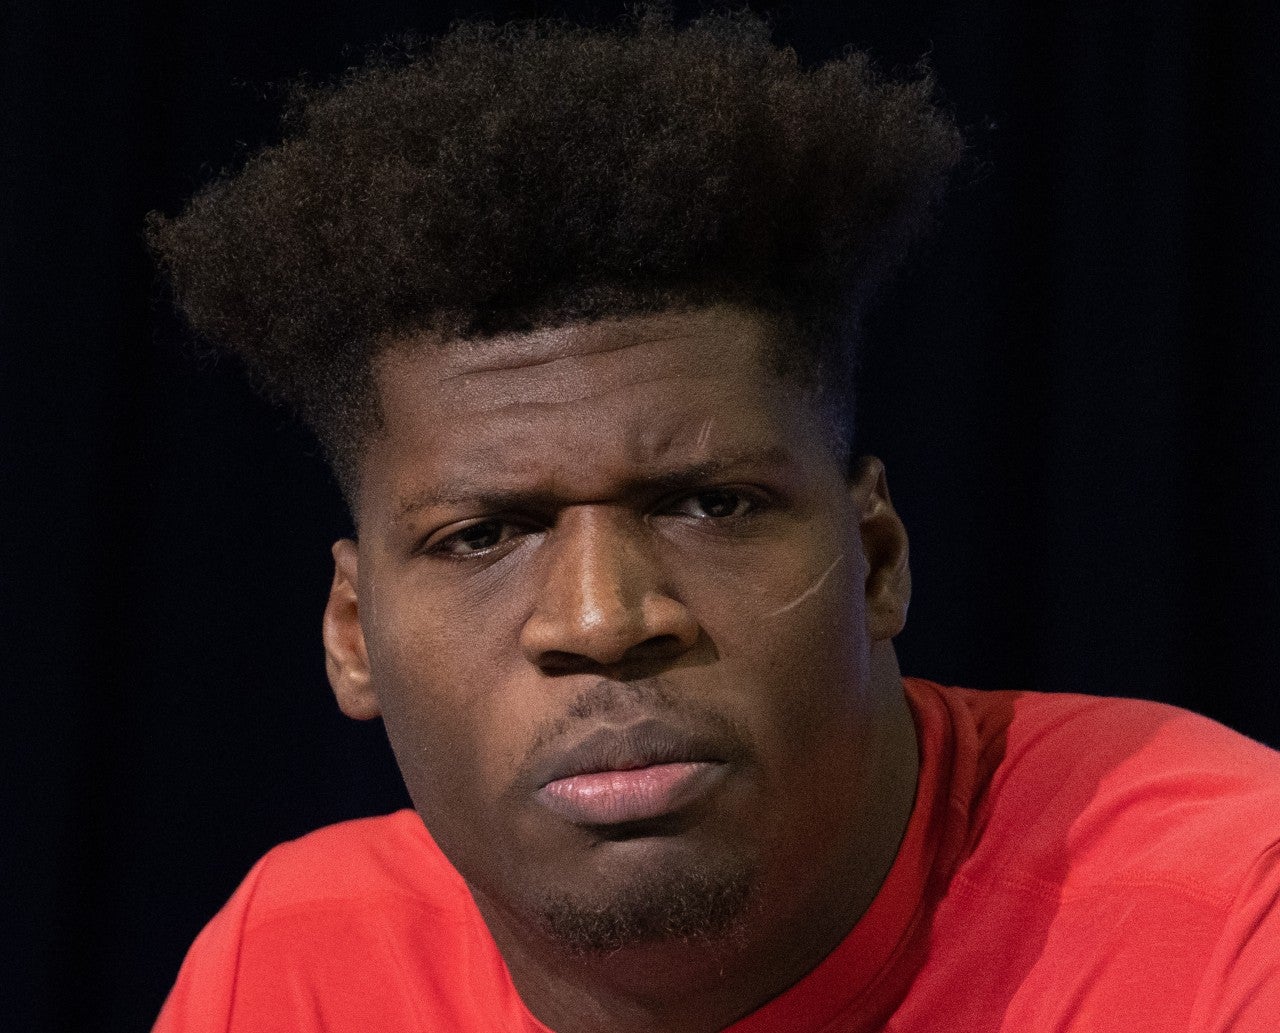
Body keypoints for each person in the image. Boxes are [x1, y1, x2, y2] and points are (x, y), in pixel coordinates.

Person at [147, 8, 1280, 1031]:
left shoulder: (1229, 904)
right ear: (352, 634)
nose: (602, 618)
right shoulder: (293, 964)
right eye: (483, 534)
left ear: (875, 558)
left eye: (707, 503)